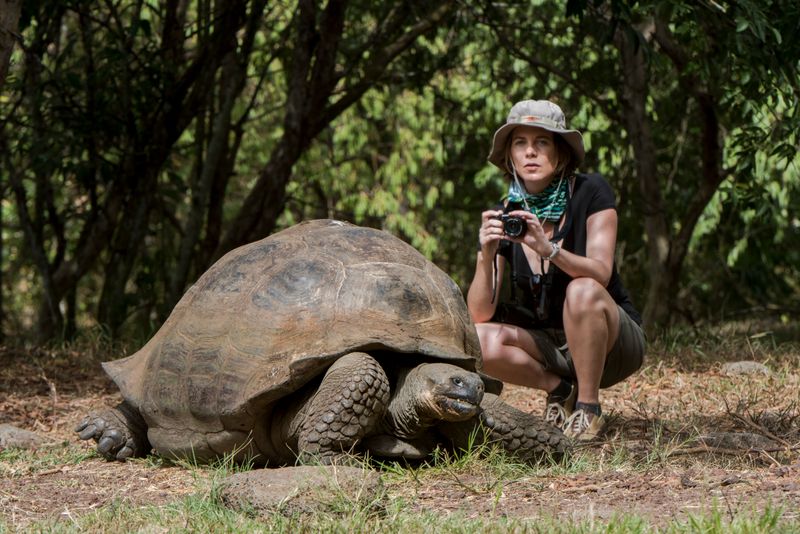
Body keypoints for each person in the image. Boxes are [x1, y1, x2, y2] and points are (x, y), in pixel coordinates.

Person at [466, 99, 645, 441]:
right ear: (510, 157)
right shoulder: (507, 215)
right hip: (548, 344)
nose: (530, 152)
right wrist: (486, 254)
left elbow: (601, 274)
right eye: (521, 143)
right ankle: (561, 390)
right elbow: (479, 312)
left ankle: (588, 409)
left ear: (560, 153)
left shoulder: (591, 192)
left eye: (542, 142)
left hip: (612, 342)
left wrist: (549, 249)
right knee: (475, 338)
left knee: (583, 289)